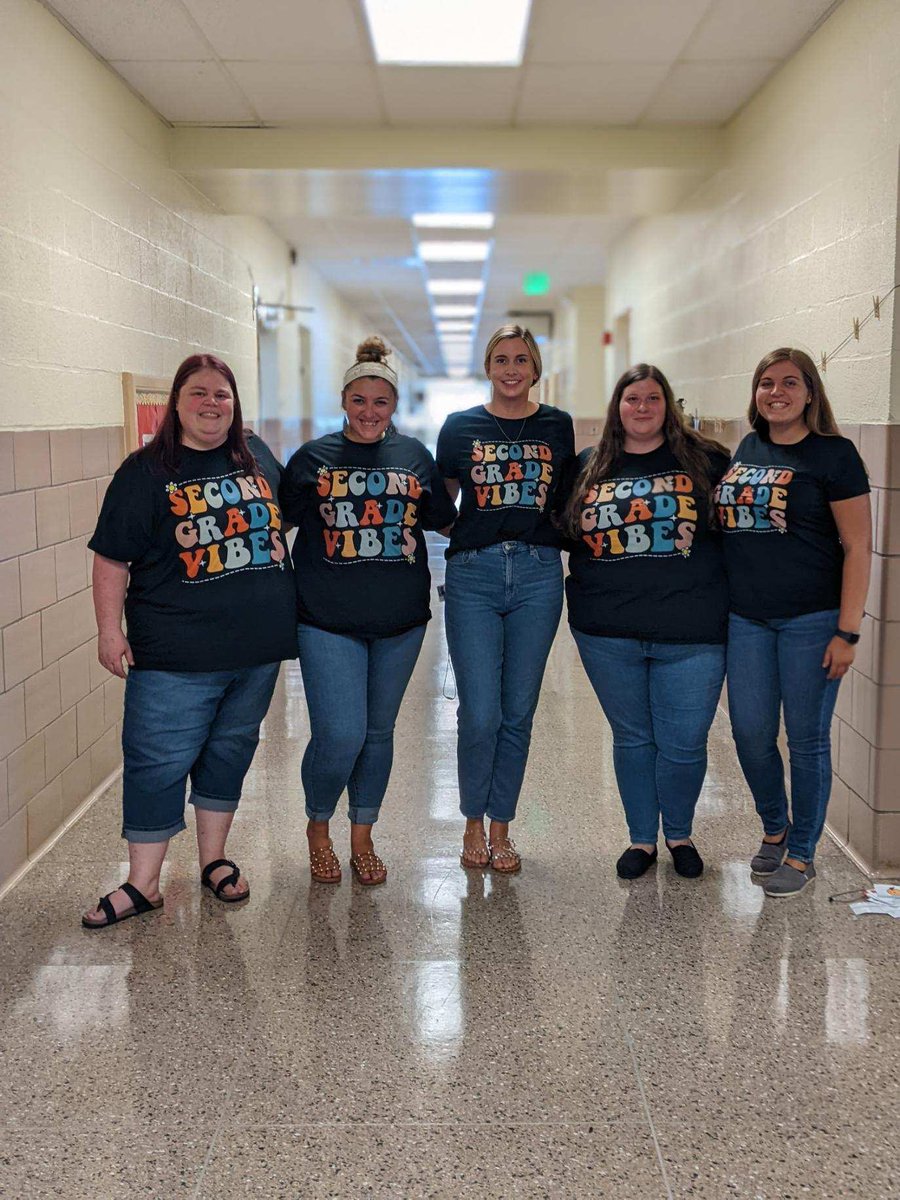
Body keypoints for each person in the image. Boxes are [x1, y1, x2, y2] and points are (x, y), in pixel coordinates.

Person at [82, 354, 297, 928]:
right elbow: (111, 557)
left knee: (229, 753)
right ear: (176, 403)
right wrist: (109, 630)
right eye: (198, 393)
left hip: (255, 653)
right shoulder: (146, 471)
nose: (210, 404)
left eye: (221, 395)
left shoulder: (258, 460)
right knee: (157, 762)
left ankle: (214, 860)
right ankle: (143, 883)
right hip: (175, 654)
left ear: (236, 404)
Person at [279, 337, 457, 886]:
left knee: (378, 733)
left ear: (394, 406)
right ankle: (317, 827)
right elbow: (273, 530)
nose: (369, 412)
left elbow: (444, 523)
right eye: (359, 400)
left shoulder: (414, 458)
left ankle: (363, 836)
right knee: (340, 733)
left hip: (400, 621)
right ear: (343, 400)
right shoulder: (312, 459)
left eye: (380, 402)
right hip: (326, 619)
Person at [562, 364, 730, 879]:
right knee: (632, 738)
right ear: (617, 407)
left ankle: (678, 833)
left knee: (683, 742)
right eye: (632, 398)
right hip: (607, 631)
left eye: (653, 398)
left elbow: (736, 534)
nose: (642, 407)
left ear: (669, 405)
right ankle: (641, 840)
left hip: (693, 629)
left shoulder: (707, 460)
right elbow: (568, 536)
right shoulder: (589, 466)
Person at [716, 348, 871, 897]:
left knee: (806, 740)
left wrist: (847, 631)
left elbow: (857, 546)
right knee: (751, 733)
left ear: (810, 392)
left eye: (789, 383)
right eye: (765, 383)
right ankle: (775, 827)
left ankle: (803, 853)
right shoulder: (748, 447)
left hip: (812, 619)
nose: (775, 392)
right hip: (748, 619)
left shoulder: (835, 455)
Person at [436, 325, 575, 873]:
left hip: (539, 575)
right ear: (487, 366)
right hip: (474, 575)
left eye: (521, 359)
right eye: (500, 359)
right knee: (481, 713)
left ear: (535, 366)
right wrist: (472, 537)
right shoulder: (460, 426)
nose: (511, 368)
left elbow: (564, 501)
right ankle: (472, 821)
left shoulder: (556, 425)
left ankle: (502, 828)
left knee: (518, 712)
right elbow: (440, 502)